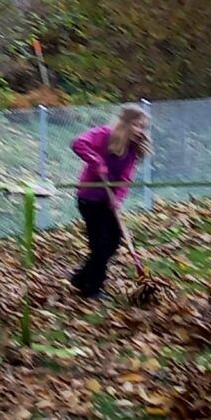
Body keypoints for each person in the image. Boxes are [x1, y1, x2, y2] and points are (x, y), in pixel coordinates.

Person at [68, 105, 150, 300]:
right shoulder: (105, 134)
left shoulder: (133, 149)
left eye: (143, 127)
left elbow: (125, 178)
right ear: (126, 123)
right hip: (89, 198)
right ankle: (92, 288)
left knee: (113, 241)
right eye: (137, 125)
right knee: (100, 244)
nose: (140, 131)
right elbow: (78, 143)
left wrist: (118, 199)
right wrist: (97, 162)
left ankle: (81, 277)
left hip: (108, 201)